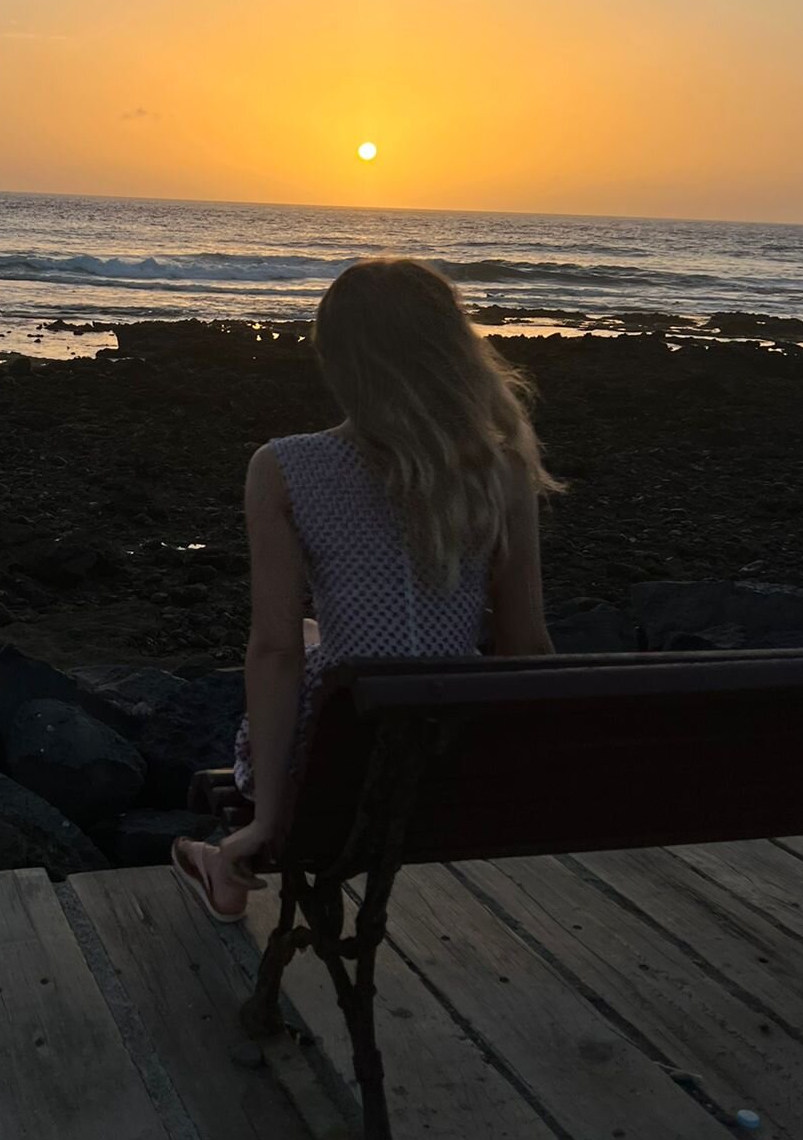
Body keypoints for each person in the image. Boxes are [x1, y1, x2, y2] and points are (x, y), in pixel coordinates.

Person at [172, 255, 558, 921]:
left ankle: (222, 862)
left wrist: (269, 821)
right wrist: (528, 769)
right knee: (322, 640)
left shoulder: (283, 468)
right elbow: (525, 641)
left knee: (304, 645)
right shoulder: (501, 470)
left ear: (340, 363)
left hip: (334, 763)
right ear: (453, 352)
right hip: (451, 759)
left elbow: (273, 652)